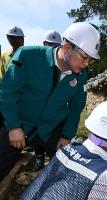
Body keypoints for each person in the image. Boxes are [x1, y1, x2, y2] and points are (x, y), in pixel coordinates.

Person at [0, 22, 100, 181]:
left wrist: (67, 136)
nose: (87, 64)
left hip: (51, 127)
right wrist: (13, 127)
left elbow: (76, 107)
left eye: (91, 60)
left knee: (70, 168)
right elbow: (7, 92)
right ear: (67, 48)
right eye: (85, 57)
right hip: (21, 123)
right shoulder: (27, 56)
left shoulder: (81, 76)